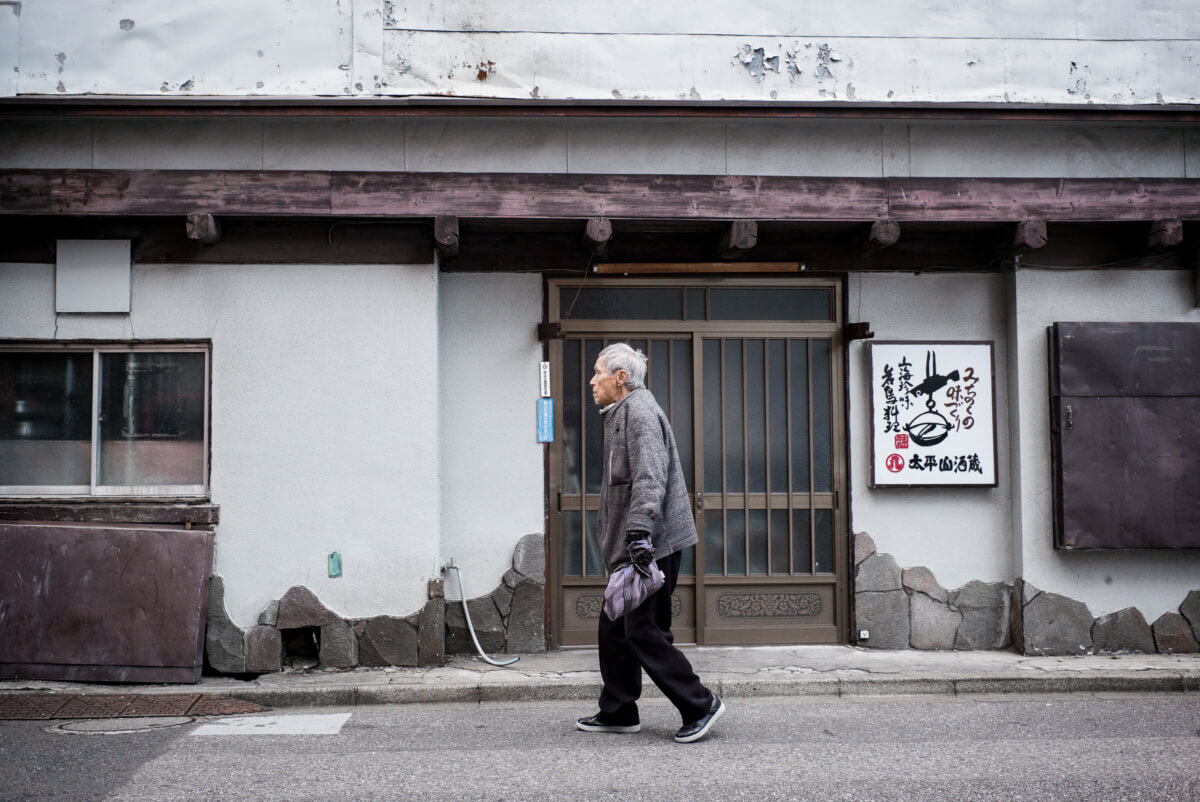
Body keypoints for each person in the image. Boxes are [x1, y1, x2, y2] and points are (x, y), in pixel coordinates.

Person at [575, 342, 724, 744]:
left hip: (651, 544)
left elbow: (650, 476)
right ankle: (619, 710)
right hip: (635, 546)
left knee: (642, 630)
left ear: (620, 378)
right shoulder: (620, 414)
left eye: (598, 372)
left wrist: (639, 532)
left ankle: (700, 703)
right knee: (614, 628)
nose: (592, 381)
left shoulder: (638, 412)